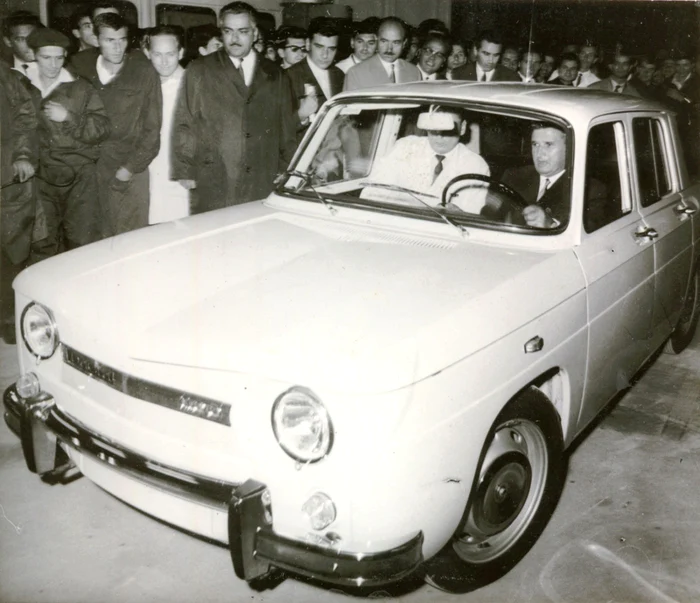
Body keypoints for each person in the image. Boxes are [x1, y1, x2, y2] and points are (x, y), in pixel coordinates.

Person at [172, 1, 297, 213]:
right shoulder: (200, 69)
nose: (235, 38)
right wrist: (185, 169)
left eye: (243, 31)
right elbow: (185, 121)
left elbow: (286, 127)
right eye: (228, 31)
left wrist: (287, 168)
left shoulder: (275, 73)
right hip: (215, 175)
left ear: (255, 33)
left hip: (262, 175)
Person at [70, 12, 162, 237]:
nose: (117, 47)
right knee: (93, 238)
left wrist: (130, 168)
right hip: (89, 169)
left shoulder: (143, 72)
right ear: (96, 39)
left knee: (130, 239)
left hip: (128, 169)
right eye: (110, 40)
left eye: (122, 40)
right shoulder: (81, 68)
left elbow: (152, 129)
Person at [24, 28, 110, 262]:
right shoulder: (22, 86)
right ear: (33, 55)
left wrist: (70, 117)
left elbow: (101, 128)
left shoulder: (80, 87)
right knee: (41, 240)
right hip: (39, 176)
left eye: (59, 57)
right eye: (46, 57)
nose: (53, 65)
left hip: (79, 176)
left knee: (82, 241)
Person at [365, 106, 490, 213]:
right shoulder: (404, 147)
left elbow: (471, 217)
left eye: (449, 128)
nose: (439, 136)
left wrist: (459, 213)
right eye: (434, 127)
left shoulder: (476, 165)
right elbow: (372, 193)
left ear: (462, 128)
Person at [501, 123, 604, 229]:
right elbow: (489, 215)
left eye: (548, 144)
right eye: (535, 144)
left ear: (569, 149)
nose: (539, 153)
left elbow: (590, 229)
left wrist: (551, 224)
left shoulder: (589, 189)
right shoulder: (514, 176)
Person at [0, 61, 38, 343]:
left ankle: (10, 319)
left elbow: (26, 118)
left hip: (6, 177)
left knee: (12, 250)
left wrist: (22, 155)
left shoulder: (7, 78)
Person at [143, 25, 189, 224]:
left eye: (170, 54)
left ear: (181, 52)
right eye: (157, 54)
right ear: (147, 53)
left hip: (181, 175)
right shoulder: (144, 84)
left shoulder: (193, 85)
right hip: (151, 172)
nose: (163, 62)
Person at [286, 18, 344, 139]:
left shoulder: (339, 74)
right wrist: (301, 115)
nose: (325, 54)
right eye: (319, 46)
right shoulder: (288, 76)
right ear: (308, 44)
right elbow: (276, 129)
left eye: (331, 48)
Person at [343, 17, 420, 91]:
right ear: (376, 39)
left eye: (396, 42)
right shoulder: (356, 73)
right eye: (384, 41)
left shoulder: (414, 72)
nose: (389, 49)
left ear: (404, 43)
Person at [451, 30, 519, 82]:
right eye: (486, 54)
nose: (491, 60)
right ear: (475, 51)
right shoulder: (457, 74)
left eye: (496, 55)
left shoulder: (512, 78)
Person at [2, 11, 41, 76]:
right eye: (21, 39)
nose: (30, 44)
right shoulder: (3, 69)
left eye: (33, 37)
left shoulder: (55, 63)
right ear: (8, 42)